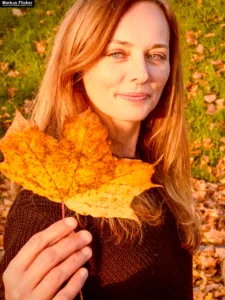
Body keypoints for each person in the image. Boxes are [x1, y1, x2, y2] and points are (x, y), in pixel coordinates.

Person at [0, 0, 201, 299]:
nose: (142, 73)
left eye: (156, 55)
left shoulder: (154, 176)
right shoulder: (49, 209)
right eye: (117, 53)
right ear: (77, 64)